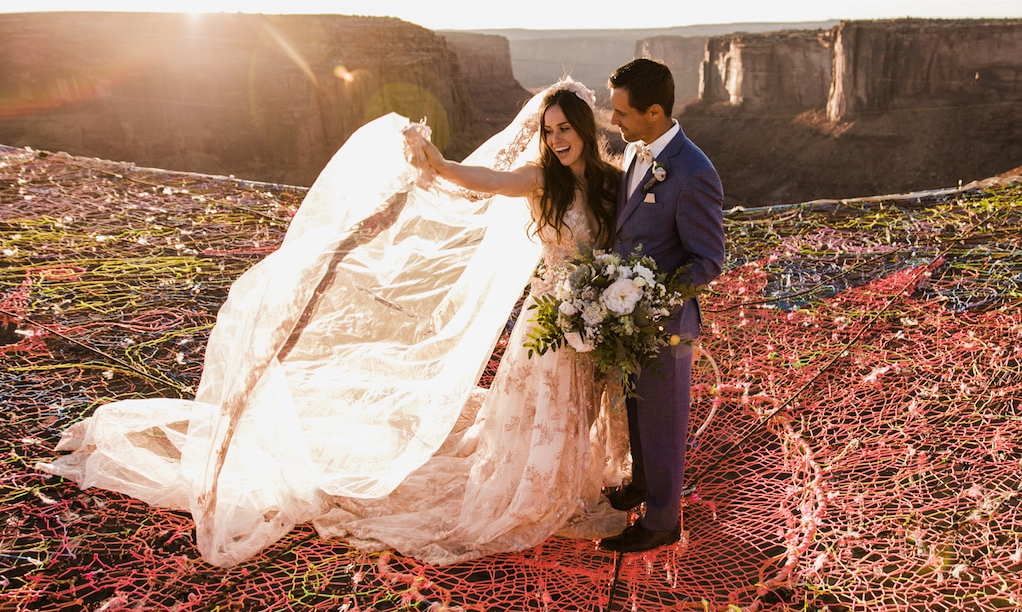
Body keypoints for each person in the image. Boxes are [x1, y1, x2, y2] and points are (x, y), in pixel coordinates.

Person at [39, 79, 631, 567]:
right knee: (543, 405)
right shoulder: (539, 182)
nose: (556, 140)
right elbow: (488, 183)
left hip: (593, 315)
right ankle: (535, 488)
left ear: (585, 128)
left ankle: (571, 478)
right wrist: (441, 164)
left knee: (579, 403)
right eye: (549, 131)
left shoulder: (609, 183)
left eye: (565, 130)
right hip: (548, 320)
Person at [598, 58, 726, 554]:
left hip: (665, 325)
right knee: (636, 411)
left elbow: (708, 260)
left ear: (655, 111)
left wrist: (650, 300)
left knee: (664, 420)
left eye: (622, 113)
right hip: (626, 320)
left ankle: (663, 521)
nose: (615, 122)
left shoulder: (695, 172)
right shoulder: (637, 152)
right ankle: (642, 485)